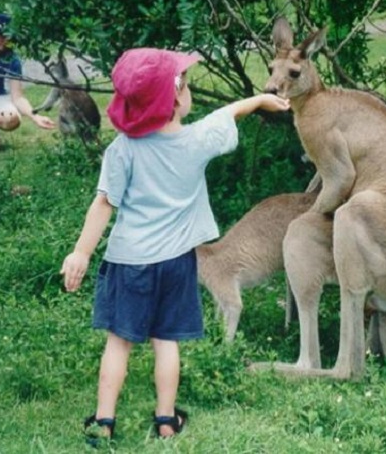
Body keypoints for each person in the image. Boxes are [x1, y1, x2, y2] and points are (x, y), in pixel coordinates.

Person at [59, 47, 290, 445]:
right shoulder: (196, 141)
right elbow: (230, 113)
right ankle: (166, 420)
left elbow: (104, 203)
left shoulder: (122, 149)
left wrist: (80, 252)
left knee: (119, 343)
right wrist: (261, 100)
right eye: (186, 82)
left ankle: (103, 421)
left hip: (129, 263)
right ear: (176, 97)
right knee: (167, 341)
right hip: (177, 264)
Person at [0, 13, 55, 153]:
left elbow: (18, 97)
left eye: (6, 35)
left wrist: (35, 117)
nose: (2, 39)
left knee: (11, 119)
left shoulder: (12, 59)